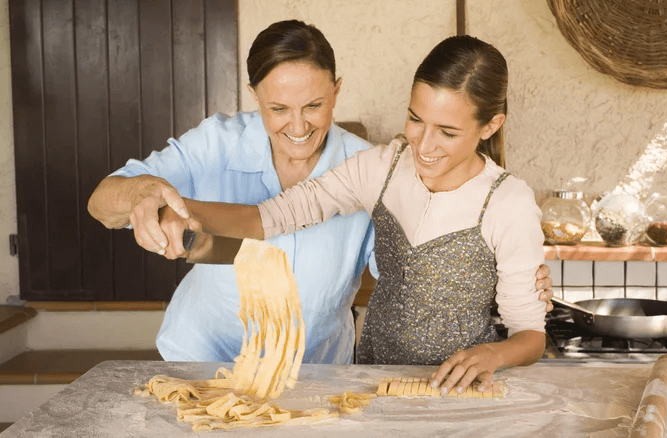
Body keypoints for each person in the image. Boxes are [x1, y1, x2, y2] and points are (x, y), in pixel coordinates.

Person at [87, 20, 555, 365]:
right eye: (415, 120)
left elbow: (413, 274)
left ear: (337, 92)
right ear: (254, 97)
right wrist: (160, 199)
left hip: (325, 375)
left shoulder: (384, 170)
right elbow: (264, 218)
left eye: (313, 105)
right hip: (209, 359)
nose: (297, 125)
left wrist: (508, 284)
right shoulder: (373, 166)